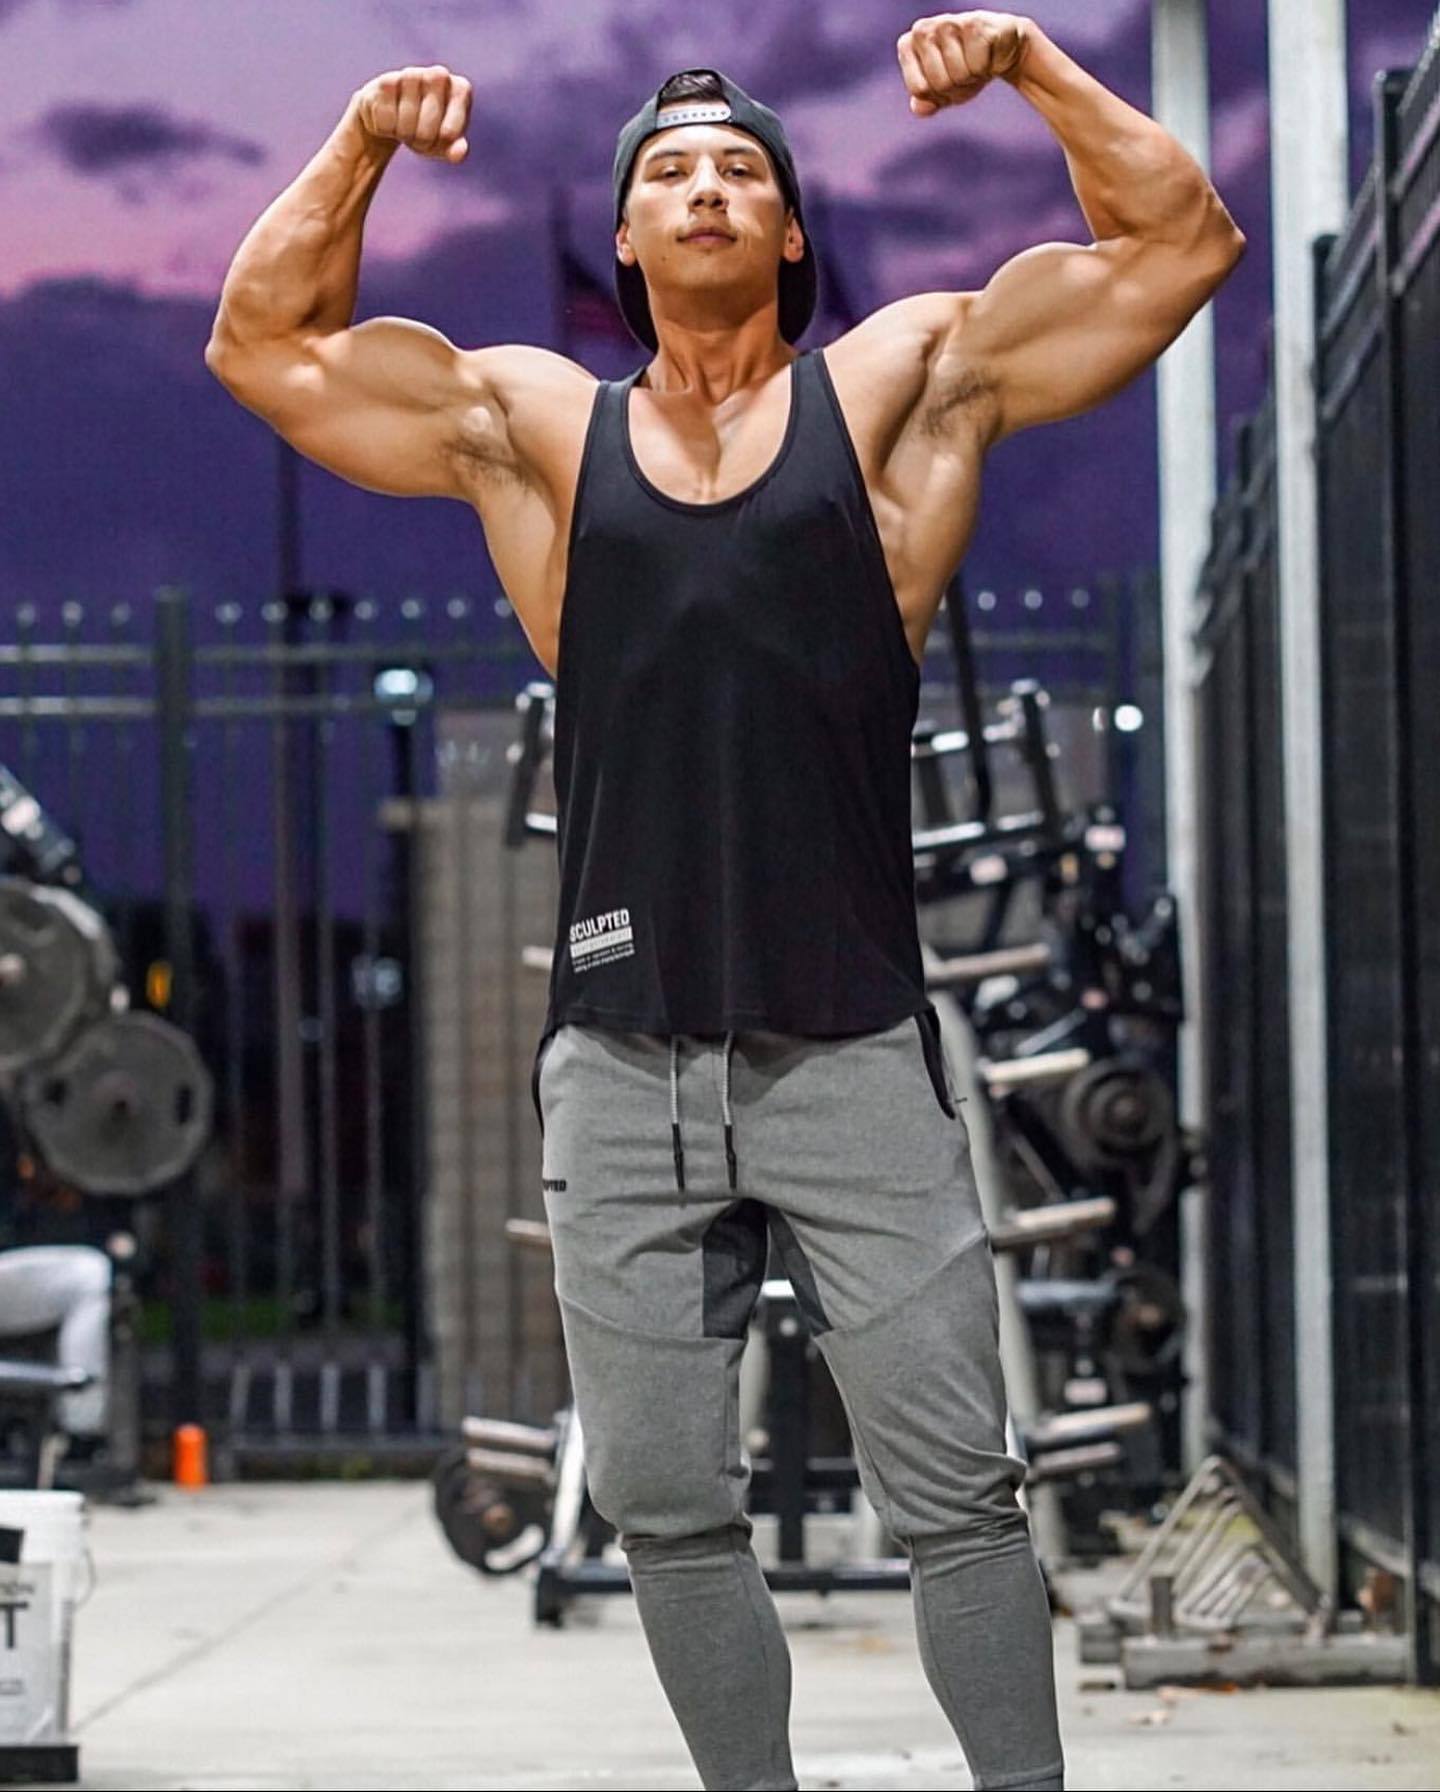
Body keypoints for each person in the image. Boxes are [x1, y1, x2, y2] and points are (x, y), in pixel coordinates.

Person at [205, 15, 1243, 1788]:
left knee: (958, 1493)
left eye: (741, 169)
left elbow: (1179, 245)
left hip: (851, 1045)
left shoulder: (900, 389)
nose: (704, 188)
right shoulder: (537, 427)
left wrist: (1032, 68)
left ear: (790, 231)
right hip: (622, 1059)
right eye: (670, 171)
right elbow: (264, 343)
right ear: (625, 236)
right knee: (666, 1504)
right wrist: (361, 144)